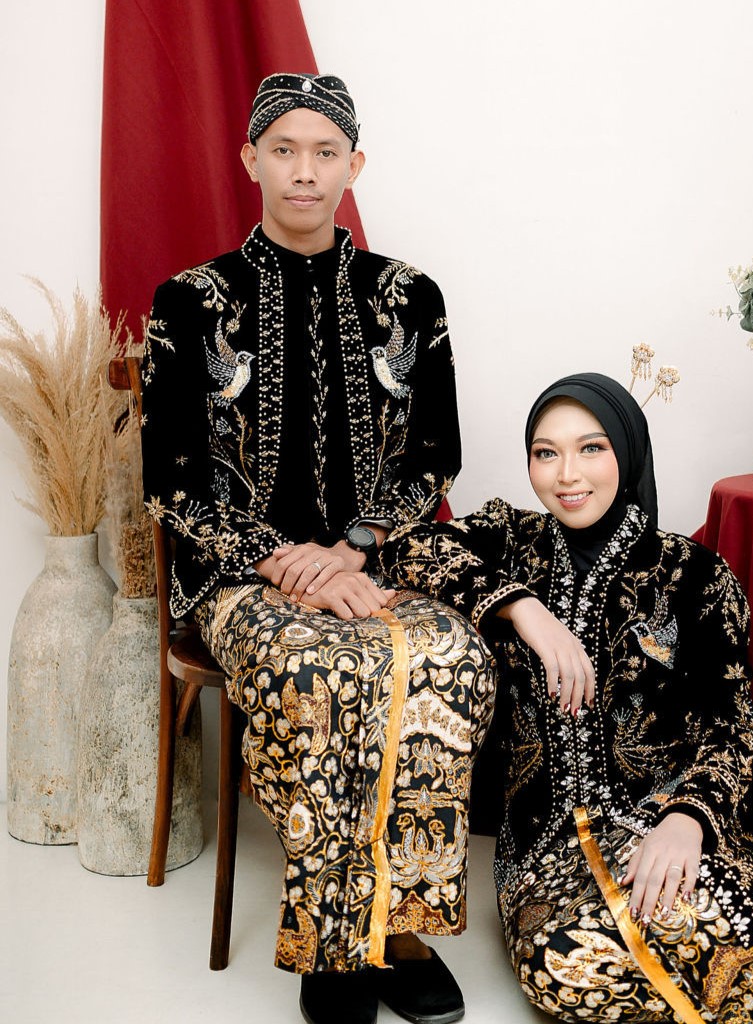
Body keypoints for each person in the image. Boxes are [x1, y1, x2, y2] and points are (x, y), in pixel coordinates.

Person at [379, 372, 753, 1021]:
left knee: (674, 910)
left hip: (661, 821)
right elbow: (409, 545)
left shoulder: (693, 574)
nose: (567, 474)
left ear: (628, 451)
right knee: (565, 969)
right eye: (546, 452)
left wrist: (687, 818)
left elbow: (732, 726)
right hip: (542, 846)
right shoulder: (511, 543)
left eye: (591, 448)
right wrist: (523, 608)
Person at [140, 72, 491, 1024]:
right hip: (239, 578)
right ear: (250, 160)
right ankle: (337, 948)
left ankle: (402, 930)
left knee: (452, 658)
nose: (305, 171)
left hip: (378, 566)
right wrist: (282, 561)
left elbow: (436, 456)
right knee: (319, 672)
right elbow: (172, 478)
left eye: (325, 152)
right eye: (284, 150)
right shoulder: (189, 301)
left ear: (354, 166)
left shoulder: (409, 297)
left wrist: (354, 547)